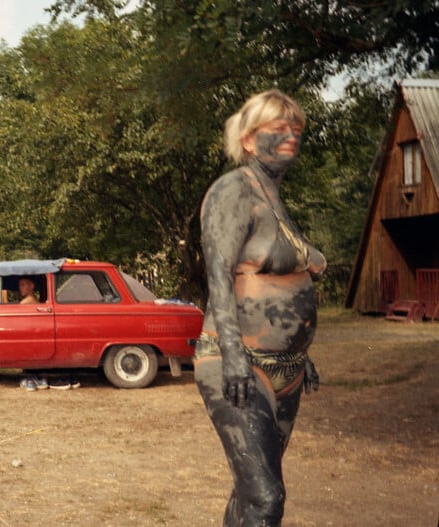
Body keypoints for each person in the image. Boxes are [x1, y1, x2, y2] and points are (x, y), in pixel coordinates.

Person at [195, 89, 327, 526]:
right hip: (239, 366)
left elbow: (290, 273)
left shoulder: (273, 196)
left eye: (296, 129)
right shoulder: (233, 190)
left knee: (250, 491)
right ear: (250, 140)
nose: (290, 136)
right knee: (268, 498)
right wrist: (234, 356)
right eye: (277, 129)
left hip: (286, 367)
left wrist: (299, 353)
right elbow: (218, 275)